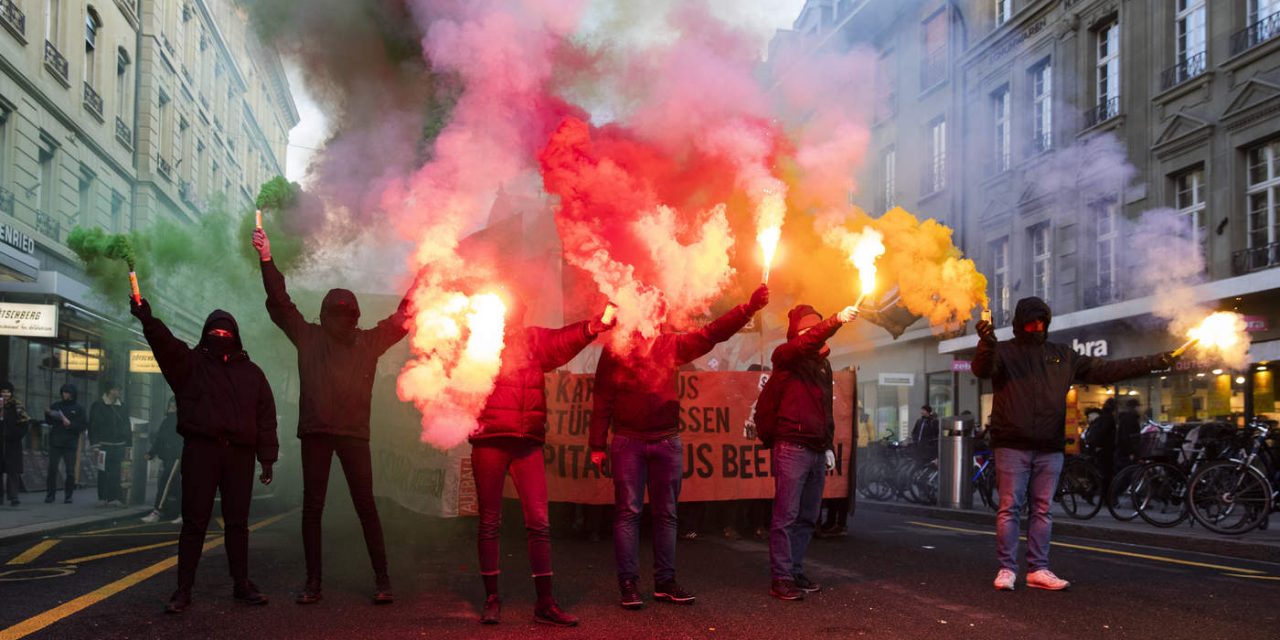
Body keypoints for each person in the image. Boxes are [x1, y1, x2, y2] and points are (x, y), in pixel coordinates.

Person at [254, 226, 412, 605]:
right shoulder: (363, 341)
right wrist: (426, 279)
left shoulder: (311, 336)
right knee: (362, 508)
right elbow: (404, 318)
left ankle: (316, 584)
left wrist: (267, 259)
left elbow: (280, 303)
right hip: (342, 434)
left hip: (325, 432)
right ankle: (381, 581)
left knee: (318, 509)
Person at [974, 297, 1175, 592]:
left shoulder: (1063, 355)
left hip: (1049, 445)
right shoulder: (1003, 352)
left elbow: (1107, 370)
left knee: (1042, 509)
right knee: (1010, 507)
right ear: (1020, 323)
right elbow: (982, 369)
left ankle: (1038, 569)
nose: (1038, 327)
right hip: (1013, 444)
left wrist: (1154, 362)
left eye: (1042, 321)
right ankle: (1007, 569)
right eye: (1032, 322)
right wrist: (987, 343)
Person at [589, 284, 770, 609]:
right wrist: (597, 444)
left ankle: (664, 581)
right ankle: (628, 584)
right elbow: (601, 396)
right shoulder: (616, 348)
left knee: (667, 514)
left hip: (666, 439)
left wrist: (747, 309)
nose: (658, 315)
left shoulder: (669, 345)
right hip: (629, 440)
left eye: (660, 309)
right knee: (629, 514)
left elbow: (711, 334)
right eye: (652, 308)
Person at [469, 299, 613, 626]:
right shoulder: (477, 340)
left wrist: (593, 326)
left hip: (527, 442)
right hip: (490, 439)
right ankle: (492, 598)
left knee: (539, 523)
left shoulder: (533, 340)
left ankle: (545, 602)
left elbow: (564, 340)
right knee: (490, 522)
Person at [130, 299, 278, 613]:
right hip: (201, 451)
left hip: (239, 455)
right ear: (206, 333)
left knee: (238, 524)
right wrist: (146, 317)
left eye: (226, 332)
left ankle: (242, 584)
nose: (221, 335)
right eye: (216, 331)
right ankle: (183, 590)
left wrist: (267, 458)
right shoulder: (190, 364)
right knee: (195, 523)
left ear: (235, 336)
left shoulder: (253, 374)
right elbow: (165, 344)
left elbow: (266, 417)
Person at [758, 304, 858, 601]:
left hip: (815, 447)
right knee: (786, 516)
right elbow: (808, 341)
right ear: (797, 334)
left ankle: (795, 569)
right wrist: (836, 320)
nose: (813, 336)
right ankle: (782, 577)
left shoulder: (822, 365)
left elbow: (824, 408)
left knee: (807, 516)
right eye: (807, 331)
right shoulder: (785, 355)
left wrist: (827, 444)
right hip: (791, 445)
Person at [142, 397, 183, 524]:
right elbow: (160, 439)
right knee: (176, 487)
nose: (171, 408)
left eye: (174, 405)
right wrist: (151, 453)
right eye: (170, 405)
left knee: (165, 484)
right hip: (169, 457)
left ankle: (157, 512)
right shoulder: (167, 421)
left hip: (177, 458)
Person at [89, 382, 130, 507]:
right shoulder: (98, 405)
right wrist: (95, 444)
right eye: (117, 389)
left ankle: (113, 498)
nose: (119, 392)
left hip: (119, 444)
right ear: (110, 391)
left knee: (116, 472)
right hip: (103, 444)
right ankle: (102, 497)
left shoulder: (122, 406)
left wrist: (129, 444)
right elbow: (93, 425)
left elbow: (126, 425)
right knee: (103, 472)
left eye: (119, 390)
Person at [45, 384, 87, 504]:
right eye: (63, 392)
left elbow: (82, 426)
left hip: (70, 444)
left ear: (72, 394)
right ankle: (50, 494)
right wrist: (48, 413)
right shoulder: (56, 406)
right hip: (56, 442)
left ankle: (68, 495)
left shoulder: (78, 408)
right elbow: (49, 421)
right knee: (52, 469)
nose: (65, 395)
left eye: (67, 393)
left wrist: (70, 425)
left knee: (70, 471)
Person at [1, 382, 31, 505]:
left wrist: (16, 435)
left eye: (7, 392)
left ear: (11, 393)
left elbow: (25, 423)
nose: (5, 394)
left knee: (12, 470)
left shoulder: (17, 405)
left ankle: (13, 496)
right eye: (3, 392)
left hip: (12, 442)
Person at [1084, 398, 1117, 486]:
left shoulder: (1102, 417)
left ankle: (1096, 491)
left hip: (1099, 449)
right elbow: (1102, 434)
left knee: (1100, 471)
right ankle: (1103, 494)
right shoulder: (1108, 418)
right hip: (1105, 450)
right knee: (1105, 473)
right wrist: (1099, 446)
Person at [1115, 398, 1142, 470]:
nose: (1140, 409)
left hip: (1123, 450)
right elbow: (1127, 436)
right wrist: (1130, 452)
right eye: (1139, 406)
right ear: (1135, 407)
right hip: (1126, 451)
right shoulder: (1130, 418)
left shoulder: (1126, 418)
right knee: (1129, 471)